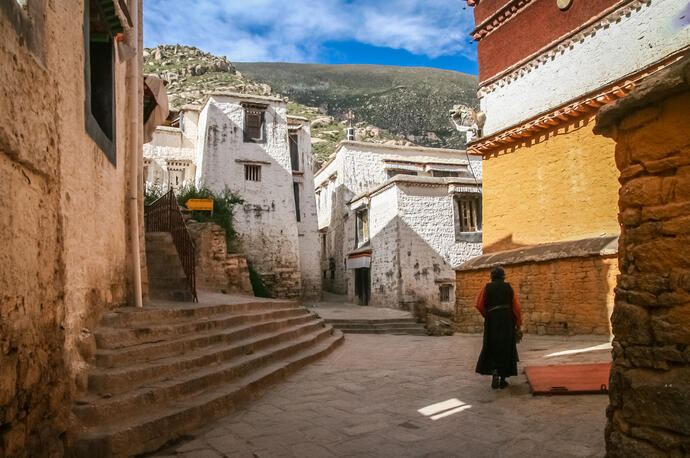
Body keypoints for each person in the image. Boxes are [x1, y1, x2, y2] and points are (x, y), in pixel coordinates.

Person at [475, 266, 522, 389]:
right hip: (507, 321)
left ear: (492, 277)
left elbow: (479, 305)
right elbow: (516, 307)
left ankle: (494, 372)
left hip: (492, 321)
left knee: (492, 345)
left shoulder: (487, 287)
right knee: (506, 347)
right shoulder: (508, 287)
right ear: (503, 276)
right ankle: (503, 379)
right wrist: (518, 323)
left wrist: (489, 314)